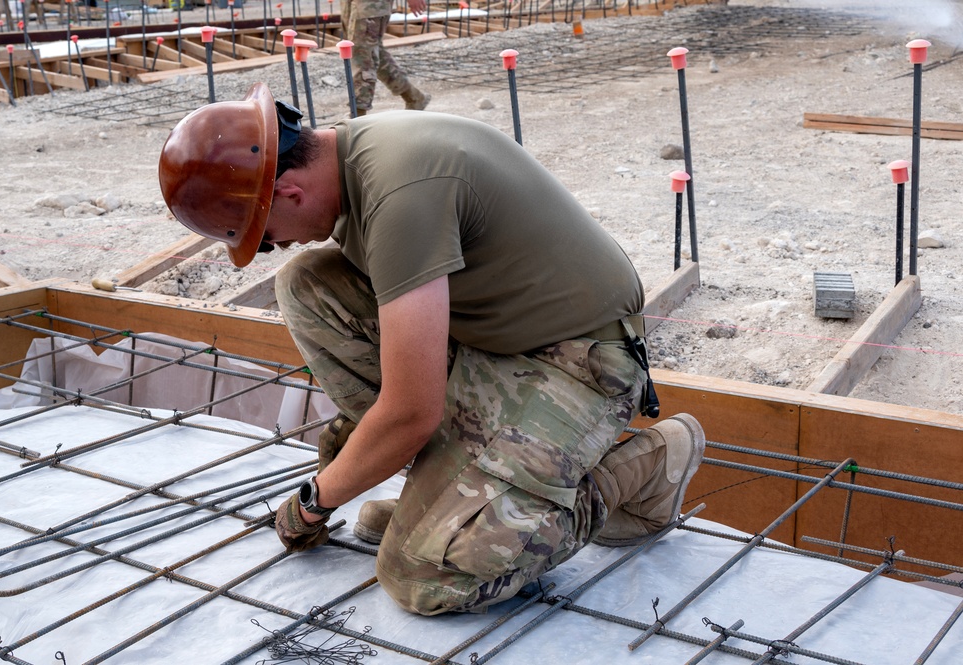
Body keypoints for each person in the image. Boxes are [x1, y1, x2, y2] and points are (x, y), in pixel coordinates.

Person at [158, 83, 705, 616]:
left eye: (267, 235)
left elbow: (410, 412)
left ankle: (641, 468)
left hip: (577, 362)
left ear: (290, 192)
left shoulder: (400, 193)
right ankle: (449, 498)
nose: (279, 244)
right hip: (489, 339)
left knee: (425, 577)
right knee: (306, 284)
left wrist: (314, 501)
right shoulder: (352, 158)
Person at [341, 0, 430, 115]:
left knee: (362, 55)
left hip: (370, 4)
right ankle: (414, 97)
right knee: (372, 52)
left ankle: (358, 114)